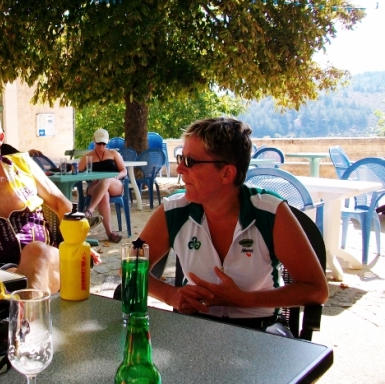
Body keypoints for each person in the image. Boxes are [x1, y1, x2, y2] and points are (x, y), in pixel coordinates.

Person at [138, 117, 328, 331]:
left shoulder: (270, 212)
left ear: (227, 173)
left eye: (190, 161)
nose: (180, 169)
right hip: (196, 329)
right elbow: (131, 265)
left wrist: (243, 299)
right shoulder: (173, 211)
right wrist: (170, 295)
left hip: (260, 331)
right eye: (180, 158)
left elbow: (317, 290)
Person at [0, 108, 99, 294]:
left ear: (0, 138)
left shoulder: (22, 164)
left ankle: (23, 315)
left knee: (35, 252)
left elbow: (60, 203)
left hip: (48, 259)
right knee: (16, 278)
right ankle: (28, 312)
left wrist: (77, 241)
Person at [78, 128, 127, 243]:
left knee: (106, 180)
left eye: (104, 143)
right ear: (94, 140)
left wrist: (116, 177)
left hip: (114, 184)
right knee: (103, 193)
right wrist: (88, 176)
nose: (101, 146)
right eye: (99, 143)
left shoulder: (114, 153)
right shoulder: (88, 156)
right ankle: (110, 233)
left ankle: (89, 211)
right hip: (95, 186)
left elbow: (124, 170)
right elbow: (78, 171)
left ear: (107, 142)